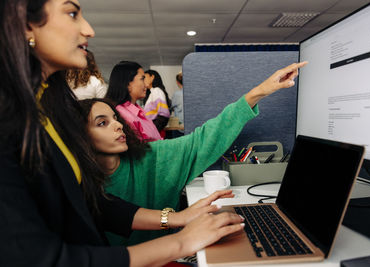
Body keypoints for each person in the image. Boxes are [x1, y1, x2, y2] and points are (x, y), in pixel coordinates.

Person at [0, 1, 254, 266]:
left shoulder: (43, 110)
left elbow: (92, 203)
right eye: (72, 13)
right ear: (26, 25)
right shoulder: (10, 124)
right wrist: (180, 241)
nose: (89, 30)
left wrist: (176, 218)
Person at [79, 58, 307, 246]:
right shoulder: (77, 184)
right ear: (80, 136)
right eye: (102, 123)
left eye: (116, 119)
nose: (118, 125)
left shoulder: (150, 157)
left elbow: (203, 139)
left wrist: (259, 92)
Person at [105, 61, 163, 142]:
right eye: (142, 79)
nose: (146, 85)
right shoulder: (122, 114)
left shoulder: (138, 111)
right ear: (128, 84)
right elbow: (140, 149)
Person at [143, 69, 171, 134]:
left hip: (156, 132)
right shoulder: (152, 93)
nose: (143, 81)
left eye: (145, 77)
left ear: (152, 77)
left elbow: (164, 114)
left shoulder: (156, 91)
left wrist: (152, 130)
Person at [169, 71, 184, 138]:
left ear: (177, 82)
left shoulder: (176, 94)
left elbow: (171, 107)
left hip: (179, 127)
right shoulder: (191, 93)